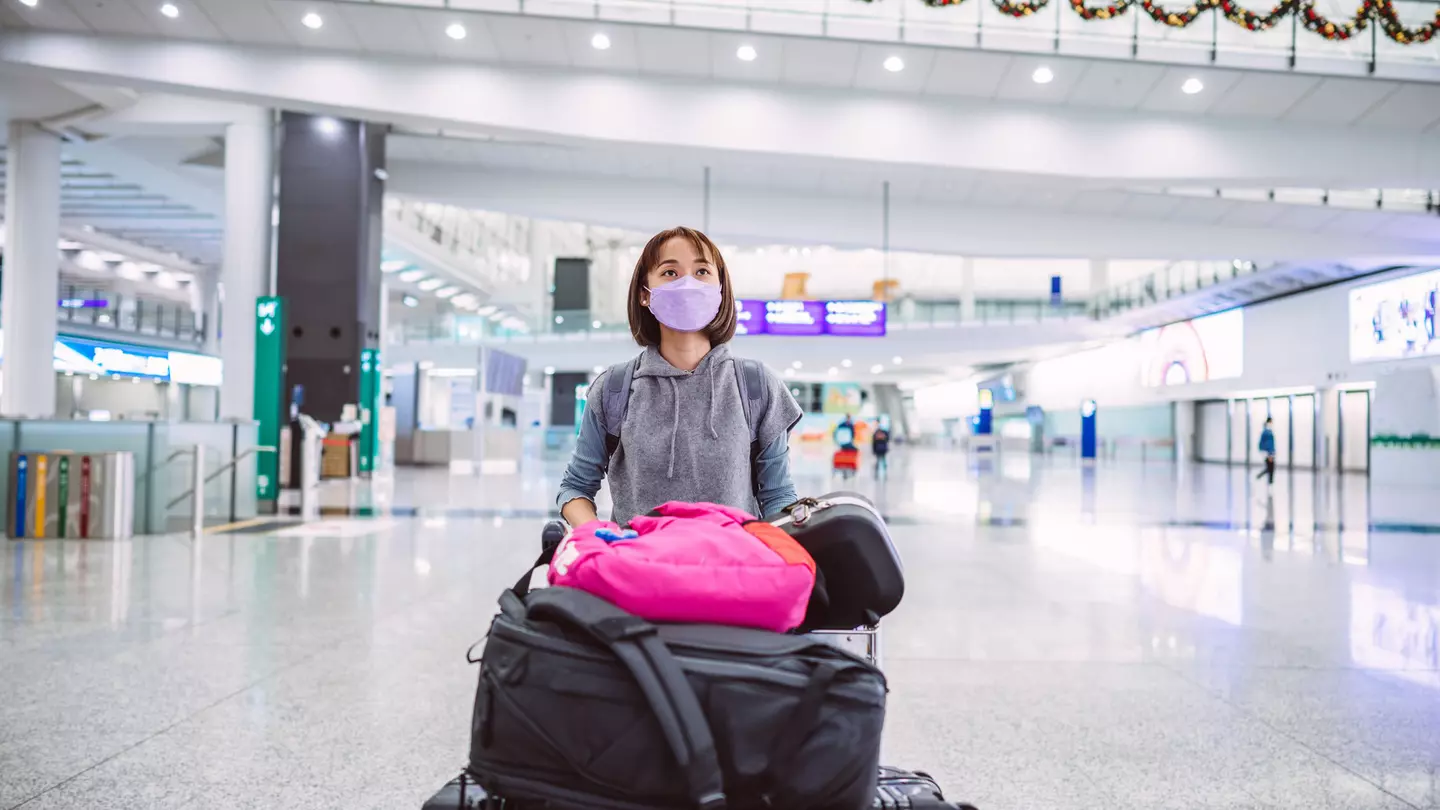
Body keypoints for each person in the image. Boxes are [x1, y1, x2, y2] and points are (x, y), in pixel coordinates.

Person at [557, 226, 803, 529]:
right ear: (645, 294)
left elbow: (778, 494)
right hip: (640, 570)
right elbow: (575, 487)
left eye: (701, 271)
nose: (688, 283)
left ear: (720, 290)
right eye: (670, 273)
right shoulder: (614, 389)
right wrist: (599, 536)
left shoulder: (756, 386)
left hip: (730, 570)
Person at [1256, 417, 1276, 486]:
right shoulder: (1266, 432)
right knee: (1270, 467)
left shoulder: (1269, 431)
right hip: (1268, 452)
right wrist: (1269, 453)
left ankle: (1262, 477)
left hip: (1270, 452)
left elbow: (1272, 443)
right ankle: (1269, 482)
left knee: (1270, 467)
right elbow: (1265, 444)